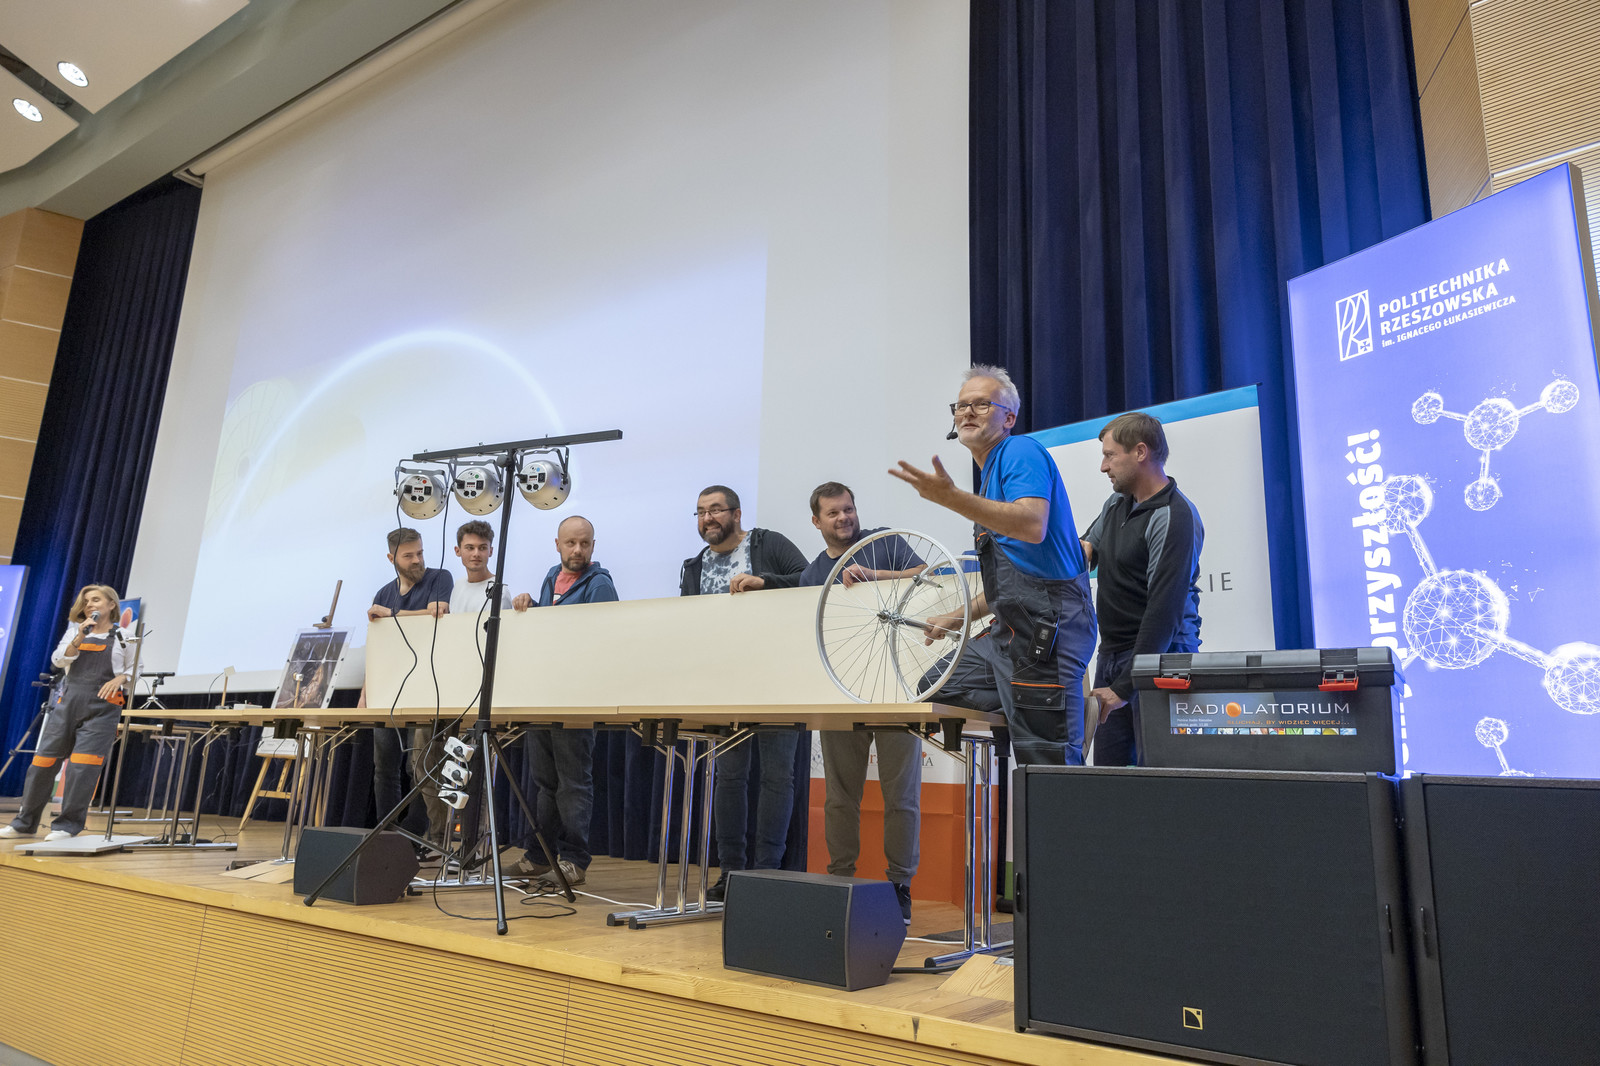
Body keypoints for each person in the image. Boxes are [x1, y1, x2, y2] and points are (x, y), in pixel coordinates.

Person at [737, 482, 926, 924]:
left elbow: (929, 575)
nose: (844, 518)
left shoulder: (885, 542)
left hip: (898, 691)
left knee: (902, 797)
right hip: (840, 695)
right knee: (841, 799)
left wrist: (873, 576)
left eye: (848, 509)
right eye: (834, 513)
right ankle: (841, 882)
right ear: (816, 521)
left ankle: (900, 886)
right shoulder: (812, 574)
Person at [891, 364, 1096, 765]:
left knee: (1046, 767)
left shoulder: (1020, 452)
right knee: (938, 685)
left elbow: (1032, 524)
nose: (968, 411)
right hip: (1008, 632)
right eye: (961, 405)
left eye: (982, 404)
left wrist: (951, 497)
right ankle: (1048, 709)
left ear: (1009, 418)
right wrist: (957, 614)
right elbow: (1016, 580)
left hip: (1047, 630)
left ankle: (1062, 717)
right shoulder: (990, 476)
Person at [680, 484, 807, 901]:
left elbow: (809, 581)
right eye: (701, 512)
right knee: (729, 777)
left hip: (777, 677)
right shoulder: (693, 566)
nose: (708, 518)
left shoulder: (768, 543)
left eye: (716, 510)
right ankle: (730, 872)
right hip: (722, 683)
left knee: (777, 776)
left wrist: (764, 582)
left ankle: (767, 872)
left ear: (736, 514)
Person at [1081, 412, 1204, 766]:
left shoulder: (1174, 516)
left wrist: (1125, 687)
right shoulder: (1116, 503)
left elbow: (1164, 611)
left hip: (1163, 658)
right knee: (1110, 776)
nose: (1103, 467)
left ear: (1140, 452)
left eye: (1110, 456)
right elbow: (1086, 551)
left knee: (1161, 777)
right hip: (1114, 655)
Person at [506, 516, 618, 888]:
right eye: (571, 543)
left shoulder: (599, 584)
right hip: (544, 695)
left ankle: (574, 861)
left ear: (593, 545)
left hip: (577, 699)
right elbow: (550, 631)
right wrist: (531, 605)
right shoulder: (551, 576)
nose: (577, 550)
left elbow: (601, 641)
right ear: (558, 544)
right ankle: (540, 856)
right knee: (545, 783)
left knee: (573, 784)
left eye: (585, 543)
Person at [2, 585, 131, 840]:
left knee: (82, 768)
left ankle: (66, 826)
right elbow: (59, 661)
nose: (90, 605)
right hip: (67, 705)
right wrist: (80, 636)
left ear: (111, 605)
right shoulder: (75, 631)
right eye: (86, 601)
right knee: (42, 763)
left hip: (103, 710)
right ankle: (24, 824)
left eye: (96, 600)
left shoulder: (125, 635)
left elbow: (136, 668)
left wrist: (121, 678)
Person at [365, 527, 453, 847]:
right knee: (384, 767)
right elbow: (377, 646)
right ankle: (386, 835)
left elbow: (436, 616)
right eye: (408, 555)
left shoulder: (439, 578)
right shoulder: (383, 593)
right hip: (387, 688)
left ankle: (416, 836)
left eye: (420, 553)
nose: (417, 560)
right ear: (392, 558)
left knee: (419, 766)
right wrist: (365, 694)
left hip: (426, 687)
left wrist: (391, 615)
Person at [449, 519, 513, 616]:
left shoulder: (499, 592)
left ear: (490, 551)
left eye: (482, 548)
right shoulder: (459, 585)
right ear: (457, 551)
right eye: (470, 548)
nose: (476, 554)